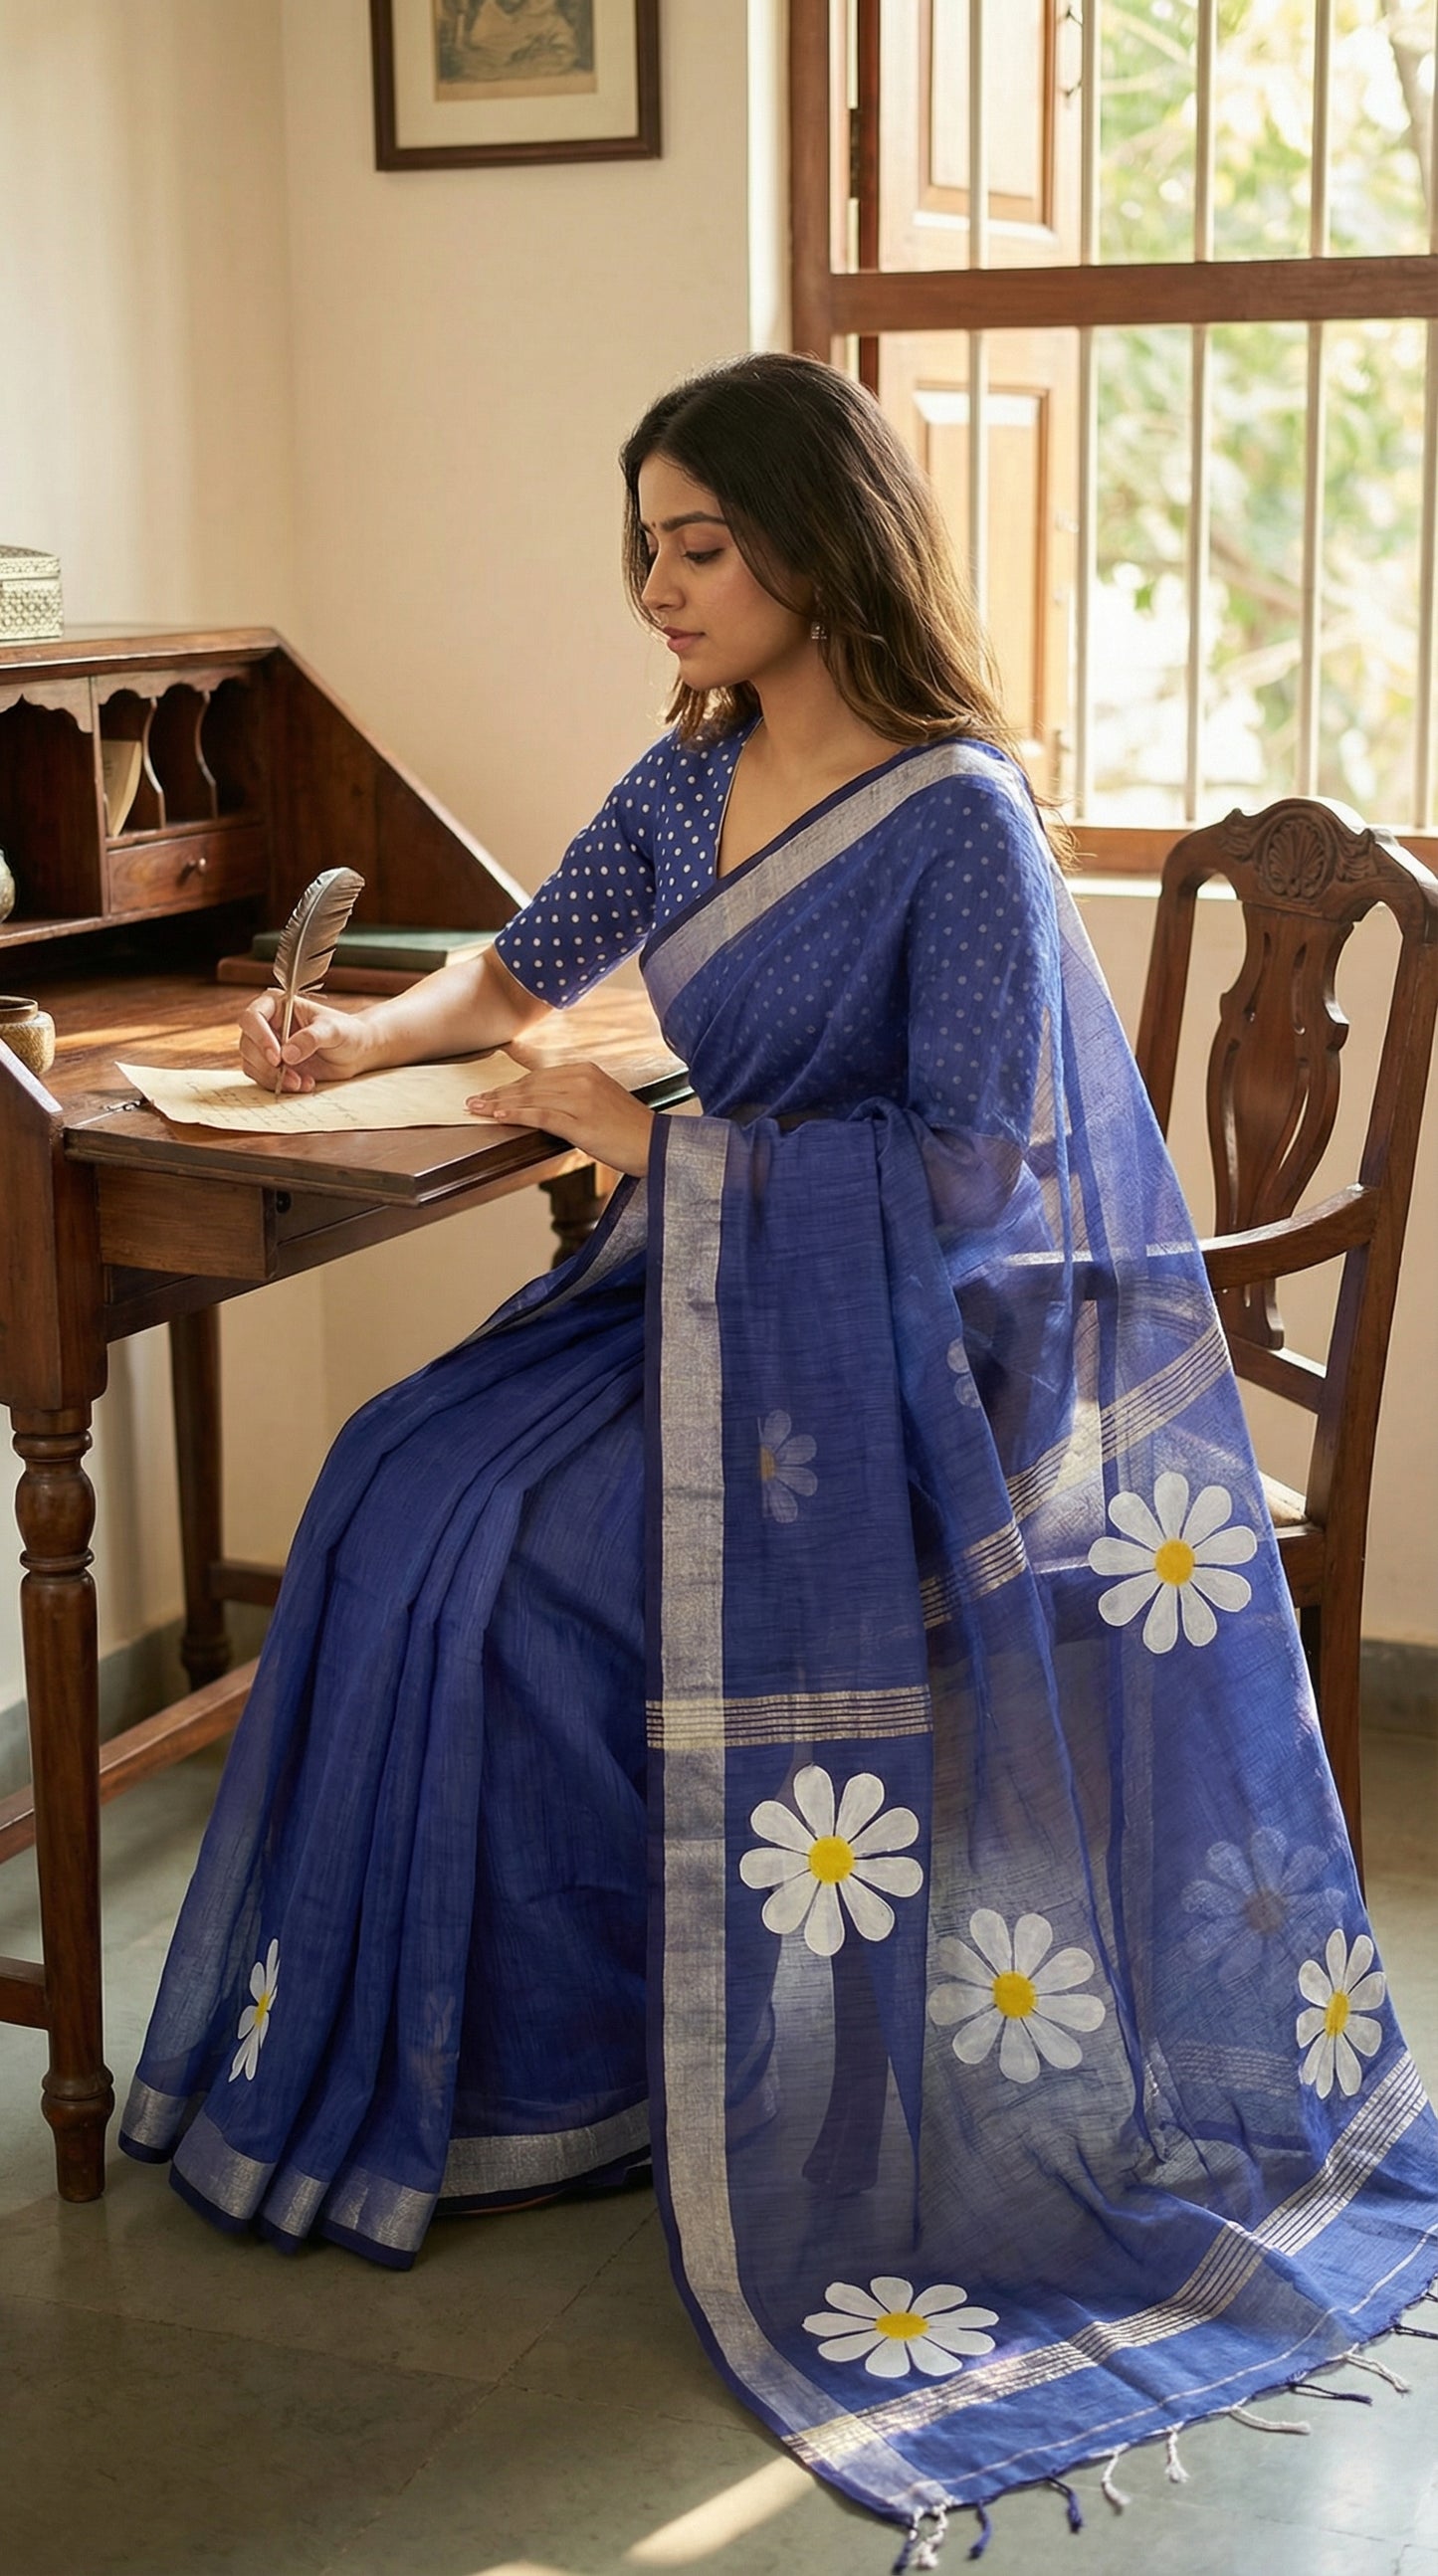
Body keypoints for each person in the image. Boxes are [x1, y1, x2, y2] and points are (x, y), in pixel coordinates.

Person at [121, 355, 1438, 2554]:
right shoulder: (691, 765)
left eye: (697, 545)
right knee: (390, 1475)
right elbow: (529, 959)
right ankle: (456, 2068)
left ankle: (580, 2074)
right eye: (641, 542)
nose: (656, 584)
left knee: (534, 1555)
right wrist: (353, 1025)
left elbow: (973, 1167)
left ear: (818, 545)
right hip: (691, 1302)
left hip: (888, 1362)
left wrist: (646, 1136)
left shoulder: (960, 817)